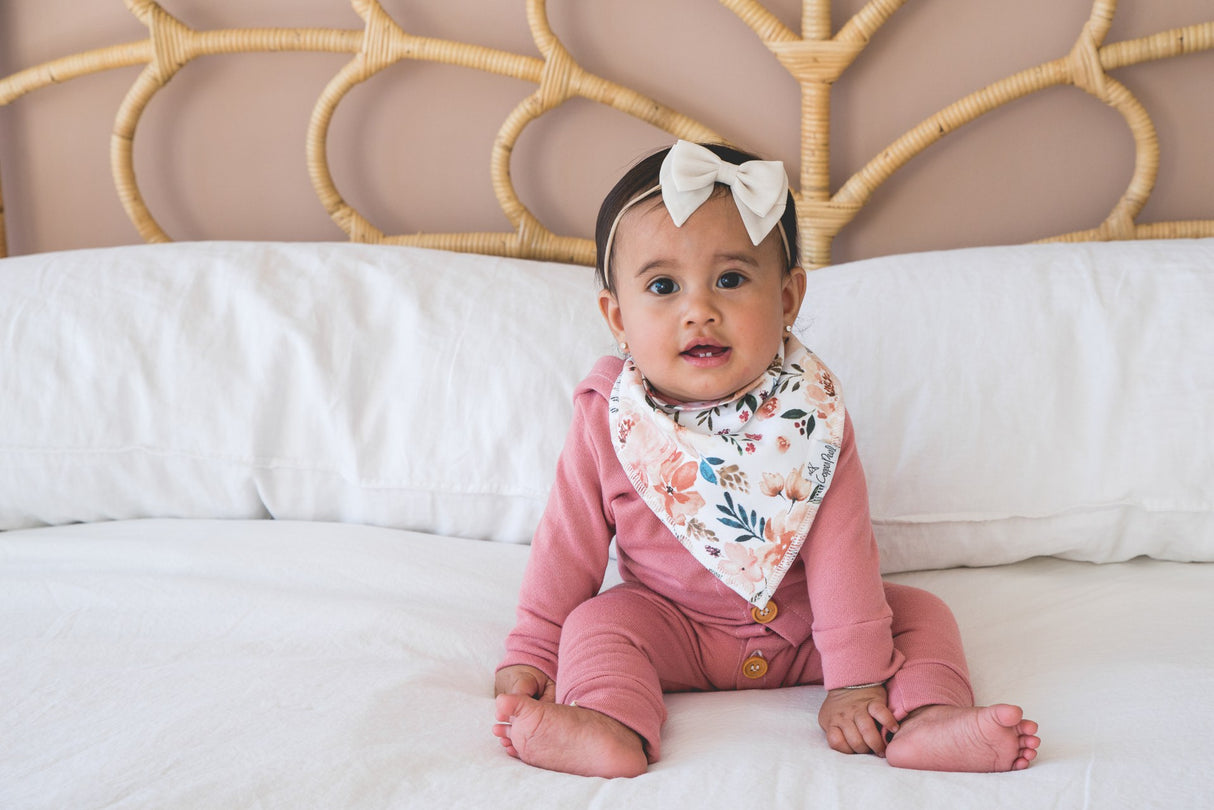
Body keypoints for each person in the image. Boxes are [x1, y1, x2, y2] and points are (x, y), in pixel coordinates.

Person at [492, 140, 1040, 778]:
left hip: (807, 632)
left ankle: (929, 718)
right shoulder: (608, 419)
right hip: (673, 628)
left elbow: (842, 553)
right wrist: (534, 650)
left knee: (922, 615)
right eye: (663, 286)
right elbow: (568, 543)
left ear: (786, 300)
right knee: (596, 626)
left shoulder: (811, 414)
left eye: (730, 279)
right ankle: (610, 723)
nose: (700, 309)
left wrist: (857, 680)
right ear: (617, 315)